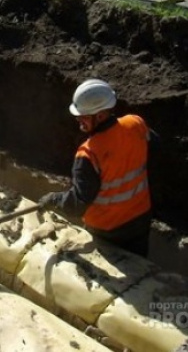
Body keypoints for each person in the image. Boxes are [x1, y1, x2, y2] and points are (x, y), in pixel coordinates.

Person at [38, 79, 158, 257]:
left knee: (112, 279)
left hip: (108, 230)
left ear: (101, 115)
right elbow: (154, 145)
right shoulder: (136, 123)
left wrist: (54, 199)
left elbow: (78, 204)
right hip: (140, 219)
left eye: (84, 115)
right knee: (139, 268)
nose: (78, 119)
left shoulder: (89, 154)